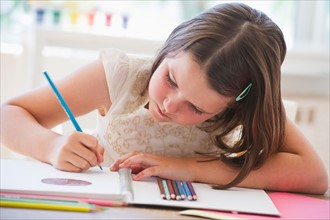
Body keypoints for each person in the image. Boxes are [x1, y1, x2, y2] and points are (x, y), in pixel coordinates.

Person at [1, 3, 328, 194]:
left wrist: (191, 169)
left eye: (196, 108)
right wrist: (51, 146)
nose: (170, 104)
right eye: (171, 79)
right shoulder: (119, 76)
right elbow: (8, 114)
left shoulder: (243, 105)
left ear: (235, 105)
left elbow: (314, 176)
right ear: (171, 45)